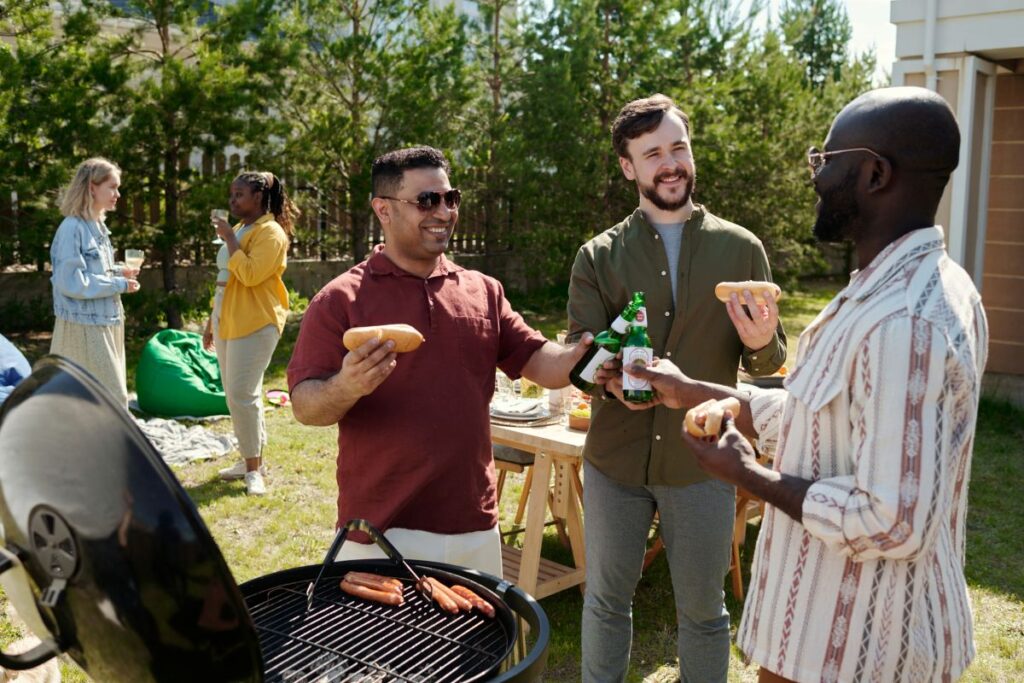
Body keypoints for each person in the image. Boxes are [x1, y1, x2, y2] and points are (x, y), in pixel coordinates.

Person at [624, 86, 987, 683]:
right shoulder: (903, 289)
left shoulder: (906, 320)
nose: (815, 177)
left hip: (861, 654)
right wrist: (697, 391)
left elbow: (890, 519)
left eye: (826, 161)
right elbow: (819, 420)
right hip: (820, 638)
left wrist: (746, 474)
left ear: (874, 174)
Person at [286, 146, 591, 576]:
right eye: (427, 201)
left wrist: (581, 356)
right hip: (379, 529)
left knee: (480, 644)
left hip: (474, 524)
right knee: (384, 646)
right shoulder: (341, 299)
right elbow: (304, 406)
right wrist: (346, 385)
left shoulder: (483, 290)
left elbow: (537, 359)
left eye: (451, 199)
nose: (444, 212)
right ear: (383, 210)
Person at [568, 93, 787, 683]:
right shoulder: (598, 256)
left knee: (705, 612)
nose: (670, 163)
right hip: (615, 460)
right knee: (607, 602)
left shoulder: (741, 248)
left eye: (678, 147)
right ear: (628, 167)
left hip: (705, 462)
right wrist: (608, 380)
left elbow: (767, 363)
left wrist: (764, 340)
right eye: (652, 153)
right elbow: (581, 358)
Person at [202, 171, 297, 496]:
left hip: (256, 321)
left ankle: (254, 471)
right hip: (227, 317)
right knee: (236, 395)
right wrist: (211, 318)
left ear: (258, 197)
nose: (232, 201)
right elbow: (226, 277)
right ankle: (248, 459)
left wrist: (229, 239)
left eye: (238, 195)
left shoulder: (271, 233)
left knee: (243, 394)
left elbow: (253, 275)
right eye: (231, 195)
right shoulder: (243, 229)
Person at [50, 158, 140, 409]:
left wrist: (120, 272)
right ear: (92, 187)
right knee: (112, 399)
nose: (118, 194)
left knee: (94, 401)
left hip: (107, 321)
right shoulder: (72, 228)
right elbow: (71, 282)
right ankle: (112, 448)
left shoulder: (97, 226)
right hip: (83, 327)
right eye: (112, 187)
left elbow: (95, 271)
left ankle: (91, 447)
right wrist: (119, 285)